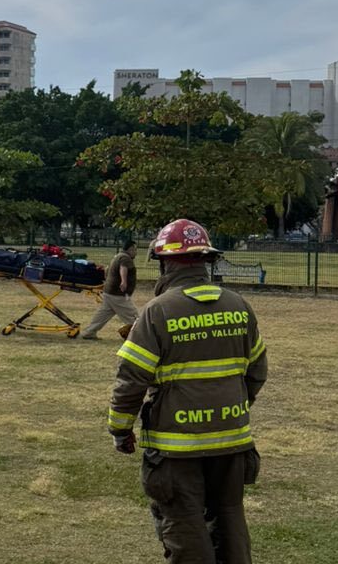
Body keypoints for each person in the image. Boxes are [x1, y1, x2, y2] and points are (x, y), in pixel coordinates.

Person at [108, 219, 267, 564]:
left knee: (184, 523)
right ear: (206, 260)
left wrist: (120, 430)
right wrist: (230, 407)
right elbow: (257, 372)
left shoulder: (158, 311)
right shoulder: (239, 306)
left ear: (165, 263)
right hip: (232, 439)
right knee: (230, 517)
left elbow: (131, 380)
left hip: (176, 446)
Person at [80, 239, 141, 340]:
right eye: (135, 250)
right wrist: (124, 281)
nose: (136, 252)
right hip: (118, 294)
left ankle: (89, 332)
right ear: (130, 249)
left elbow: (107, 270)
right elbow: (123, 268)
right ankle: (139, 335)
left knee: (103, 315)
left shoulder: (117, 256)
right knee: (132, 315)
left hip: (109, 291)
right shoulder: (125, 258)